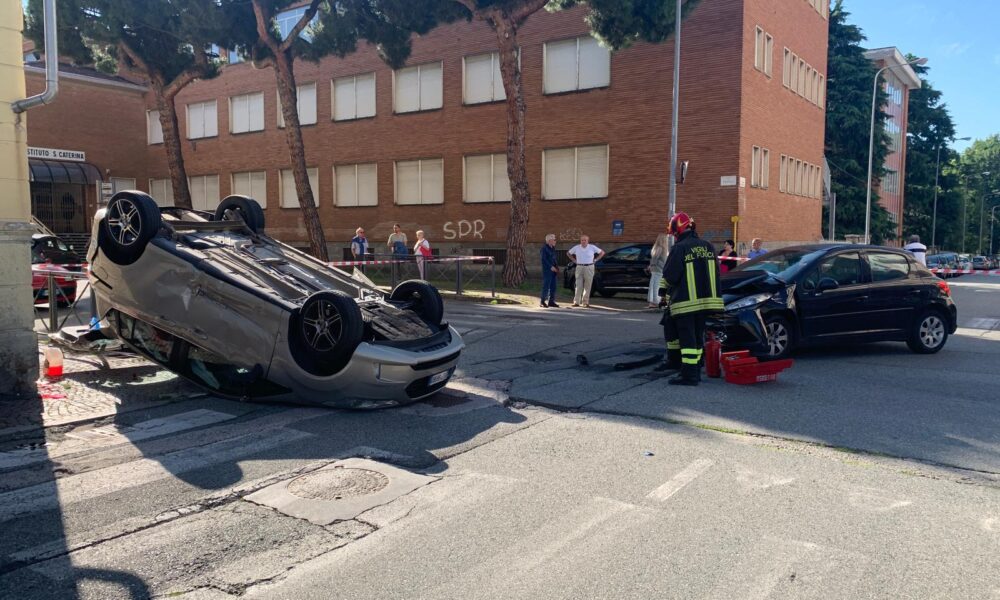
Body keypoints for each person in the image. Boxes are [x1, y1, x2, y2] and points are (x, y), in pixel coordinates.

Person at [658, 212, 724, 386]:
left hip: (686, 302)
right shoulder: (708, 246)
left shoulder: (680, 248)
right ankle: (696, 367)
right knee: (697, 335)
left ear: (677, 229)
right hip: (706, 302)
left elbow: (671, 275)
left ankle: (689, 375)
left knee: (687, 339)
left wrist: (663, 293)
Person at [567, 234, 604, 308]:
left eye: (585, 240)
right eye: (582, 240)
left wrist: (596, 260)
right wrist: (574, 260)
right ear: (580, 241)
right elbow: (568, 253)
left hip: (589, 266)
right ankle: (576, 302)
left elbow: (602, 253)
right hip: (579, 267)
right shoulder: (577, 247)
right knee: (578, 285)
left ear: (588, 241)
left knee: (588, 285)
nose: (583, 241)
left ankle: (585, 302)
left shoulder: (592, 247)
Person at [647, 230, 670, 308]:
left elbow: (655, 259)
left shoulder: (659, 248)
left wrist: (651, 266)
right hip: (660, 270)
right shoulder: (663, 249)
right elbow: (657, 259)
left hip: (657, 270)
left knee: (654, 285)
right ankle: (655, 302)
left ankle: (653, 302)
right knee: (657, 286)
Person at [540, 234, 560, 308]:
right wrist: (550, 267)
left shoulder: (553, 248)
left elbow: (554, 259)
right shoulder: (544, 248)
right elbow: (543, 259)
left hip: (554, 270)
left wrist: (556, 267)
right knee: (546, 285)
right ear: (549, 240)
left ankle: (551, 301)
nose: (555, 241)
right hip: (547, 270)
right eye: (554, 239)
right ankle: (542, 301)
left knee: (553, 286)